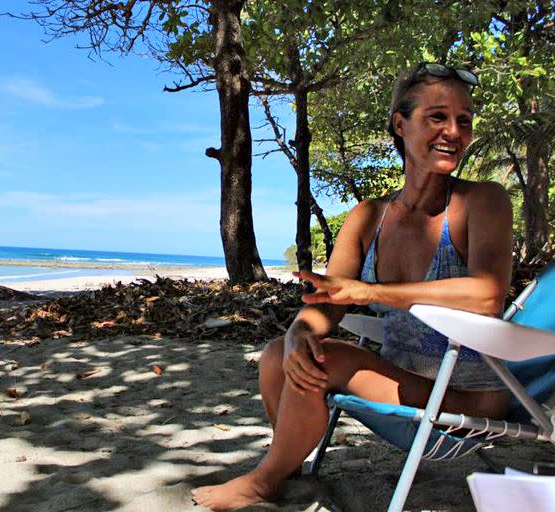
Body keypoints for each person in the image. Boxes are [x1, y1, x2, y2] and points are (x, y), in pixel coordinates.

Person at [192, 62, 514, 511]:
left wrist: (372, 292)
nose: (454, 131)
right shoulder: (369, 217)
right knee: (275, 356)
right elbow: (328, 299)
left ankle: (263, 483)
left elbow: (487, 295)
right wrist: (299, 332)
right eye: (437, 117)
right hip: (408, 383)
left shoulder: (482, 201)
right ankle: (287, 468)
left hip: (469, 401)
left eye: (464, 120)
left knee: (332, 360)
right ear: (400, 125)